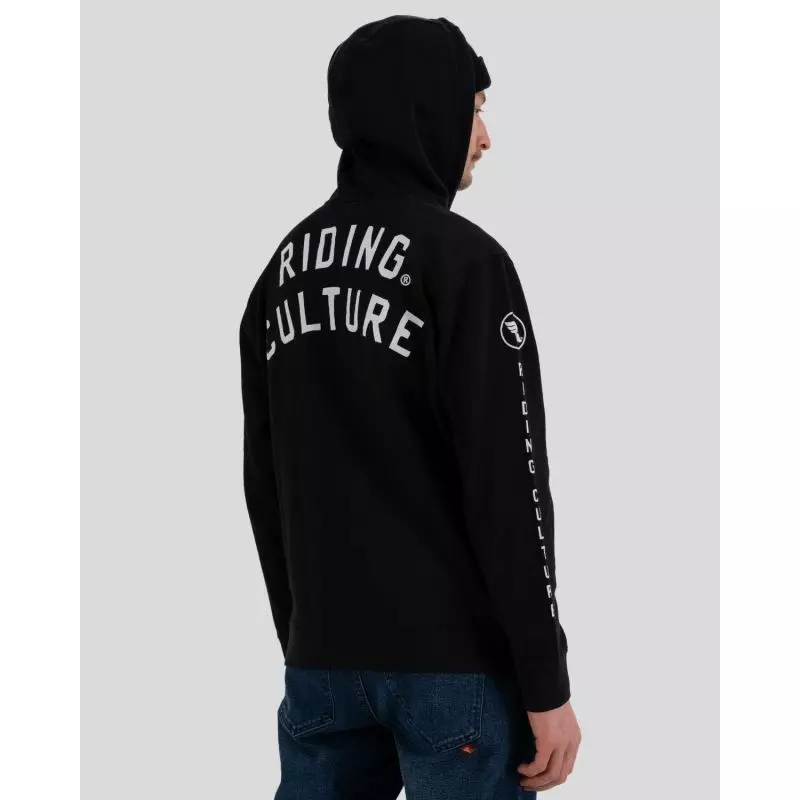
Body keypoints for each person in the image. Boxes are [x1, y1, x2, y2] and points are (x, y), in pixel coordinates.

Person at [239, 14, 581, 798]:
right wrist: (545, 680)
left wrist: (305, 640)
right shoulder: (464, 263)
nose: (484, 137)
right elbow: (509, 484)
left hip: (322, 663)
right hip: (453, 673)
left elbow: (266, 481)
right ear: (425, 109)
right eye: (474, 109)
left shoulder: (280, 273)